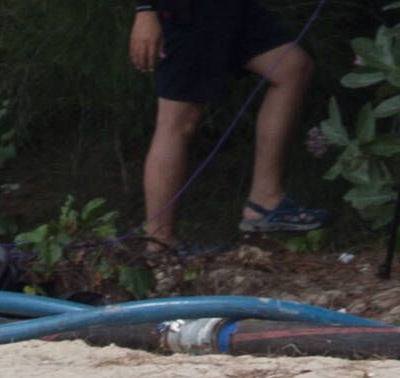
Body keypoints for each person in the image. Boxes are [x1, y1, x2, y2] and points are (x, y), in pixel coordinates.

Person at [130, 0, 329, 249]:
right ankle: (159, 243)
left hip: (229, 9)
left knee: (292, 67)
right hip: (187, 11)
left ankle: (264, 201)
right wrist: (145, 11)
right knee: (178, 121)